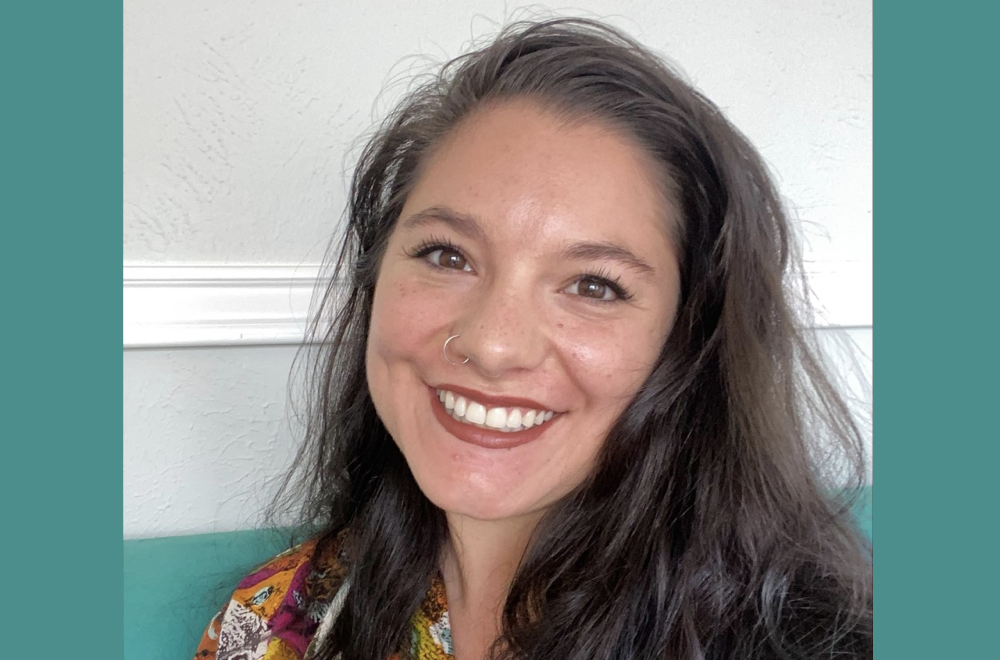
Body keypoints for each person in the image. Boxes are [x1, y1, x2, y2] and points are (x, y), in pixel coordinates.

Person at [195, 17, 872, 660]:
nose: (493, 345)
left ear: (689, 341)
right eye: (446, 255)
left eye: (594, 286)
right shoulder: (275, 622)